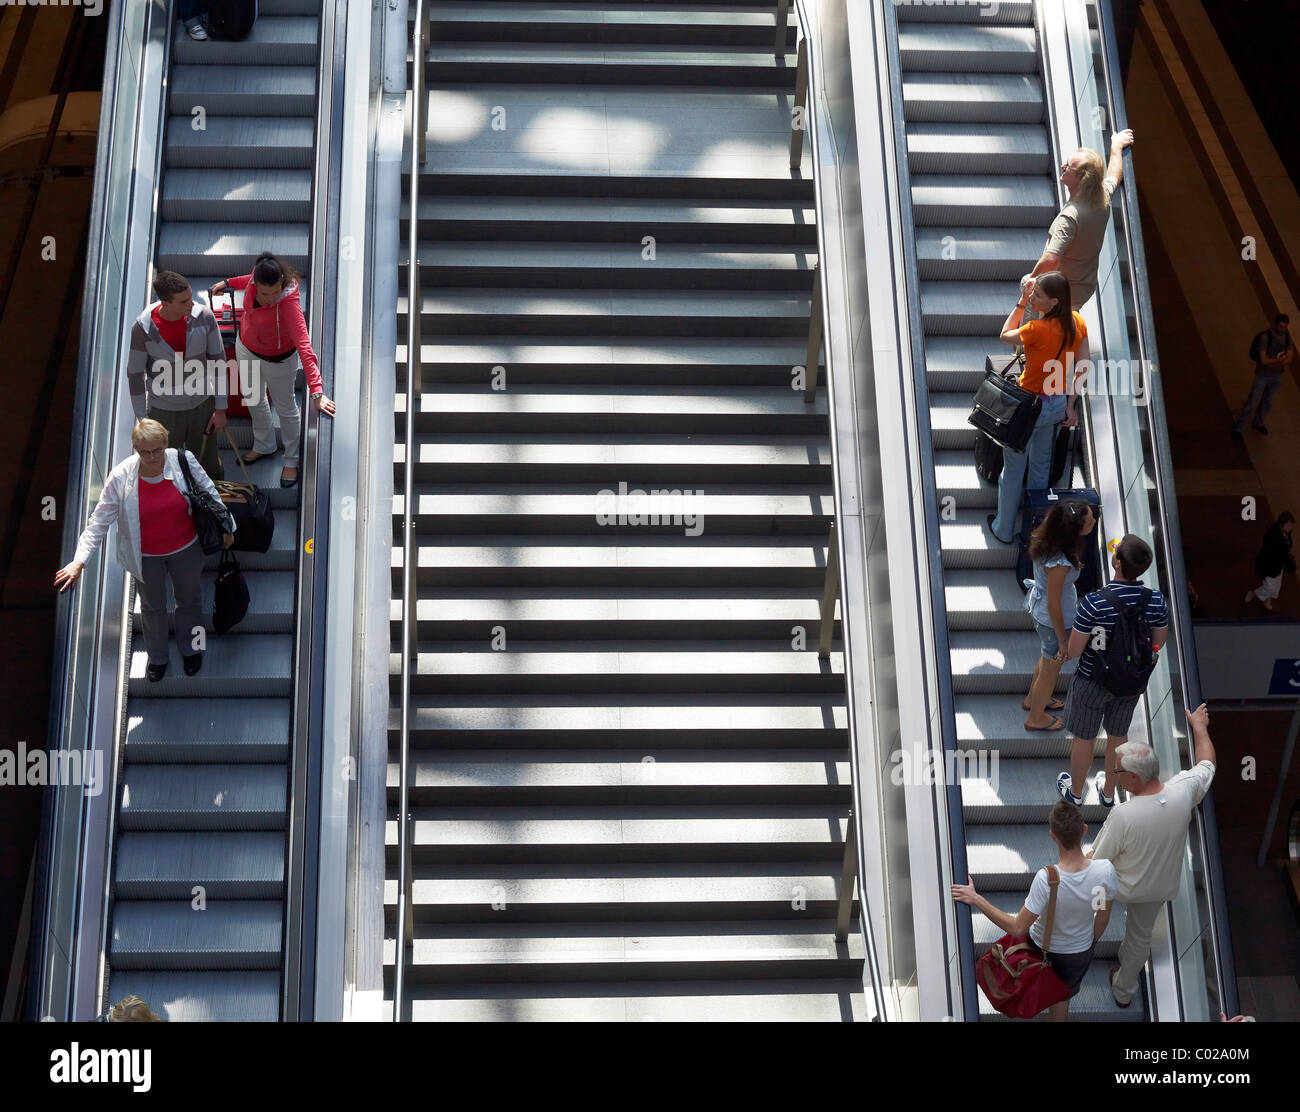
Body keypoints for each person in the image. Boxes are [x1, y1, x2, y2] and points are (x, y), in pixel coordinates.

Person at [55, 419, 235, 682]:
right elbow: (99, 522)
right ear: (136, 449)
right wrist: (78, 561)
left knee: (190, 601)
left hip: (186, 549)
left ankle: (191, 649)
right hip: (145, 557)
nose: (152, 457)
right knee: (152, 607)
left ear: (166, 444)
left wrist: (227, 526)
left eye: (157, 450)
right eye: (145, 452)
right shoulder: (120, 477)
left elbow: (209, 491)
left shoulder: (182, 460)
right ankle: (158, 656)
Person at [1089, 705, 1217, 1009]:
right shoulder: (1183, 792)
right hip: (1158, 889)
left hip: (1120, 886)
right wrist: (1199, 727)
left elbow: (1095, 862)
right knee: (1139, 938)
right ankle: (1123, 991)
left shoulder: (1123, 815)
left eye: (1117, 771)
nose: (1114, 773)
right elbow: (1208, 764)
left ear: (1133, 779)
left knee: (1091, 902)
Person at [953, 801, 1116, 1021]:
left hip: (1042, 948)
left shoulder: (1047, 879)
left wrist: (976, 899)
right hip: (1079, 953)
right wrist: (1089, 943)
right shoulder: (1106, 871)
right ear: (1084, 829)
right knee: (1062, 998)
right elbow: (1103, 916)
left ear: (1052, 836)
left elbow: (1018, 927)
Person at [1057, 535, 1168, 806]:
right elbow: (1158, 644)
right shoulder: (1156, 601)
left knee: (1084, 737)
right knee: (1118, 737)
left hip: (1092, 681)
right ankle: (1108, 793)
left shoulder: (1094, 603)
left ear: (1116, 562)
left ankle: (1076, 792)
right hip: (1131, 684)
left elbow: (1074, 651)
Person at [211, 252, 336, 488]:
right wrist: (227, 283)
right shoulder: (253, 280)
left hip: (278, 361)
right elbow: (247, 278)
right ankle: (264, 444)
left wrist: (317, 392)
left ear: (282, 283)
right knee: (253, 398)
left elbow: (305, 348)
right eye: (264, 293)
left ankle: (291, 459)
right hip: (246, 348)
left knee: (286, 408)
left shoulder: (289, 305)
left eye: (275, 292)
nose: (270, 298)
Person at [986, 272, 1087, 546]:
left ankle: (1003, 529)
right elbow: (1083, 365)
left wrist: (1020, 303)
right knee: (1041, 469)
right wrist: (1071, 405)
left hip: (1027, 410)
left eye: (1038, 296)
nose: (1033, 298)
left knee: (1013, 470)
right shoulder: (1077, 322)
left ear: (1054, 302)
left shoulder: (1036, 330)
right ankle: (1034, 531)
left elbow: (1005, 335)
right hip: (1055, 406)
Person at [128, 269, 228, 482]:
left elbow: (219, 361)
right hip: (164, 410)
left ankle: (213, 508)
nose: (191, 304)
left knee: (208, 464)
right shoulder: (142, 329)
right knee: (166, 468)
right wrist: (142, 419)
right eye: (184, 301)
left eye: (190, 297)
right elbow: (135, 374)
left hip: (202, 405)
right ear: (165, 303)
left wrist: (220, 408)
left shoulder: (205, 317)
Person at [1021, 130, 1134, 311]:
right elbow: (1114, 176)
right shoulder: (1101, 197)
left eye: (1069, 167)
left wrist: (1031, 280)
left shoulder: (1069, 218)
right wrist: (1116, 147)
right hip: (1083, 287)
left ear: (1082, 179)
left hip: (1055, 294)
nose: (1062, 165)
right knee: (1068, 329)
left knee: (1044, 332)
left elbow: (1051, 258)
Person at [1022, 500, 1096, 731]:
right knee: (1051, 670)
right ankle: (1036, 717)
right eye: (1090, 520)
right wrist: (1063, 639)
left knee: (1046, 661)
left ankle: (1033, 699)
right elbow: (1054, 604)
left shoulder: (1046, 538)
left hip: (1042, 613)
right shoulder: (1060, 563)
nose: (1094, 521)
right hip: (1053, 620)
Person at [1232, 314, 1293, 436]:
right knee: (1252, 400)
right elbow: (1264, 360)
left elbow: (1290, 358)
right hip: (1263, 374)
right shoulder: (1266, 337)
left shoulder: (1287, 338)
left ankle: (1258, 422)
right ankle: (1239, 427)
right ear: (1276, 324)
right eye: (1281, 326)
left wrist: (1274, 361)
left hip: (1276, 375)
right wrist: (1279, 360)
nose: (1282, 330)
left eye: (1285, 327)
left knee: (1268, 400)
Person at [1245, 511, 1296, 611]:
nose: (1291, 527)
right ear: (1283, 524)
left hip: (1278, 565)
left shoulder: (1286, 532)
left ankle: (1267, 601)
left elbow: (1285, 548)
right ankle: (1253, 593)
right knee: (1270, 587)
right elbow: (1271, 553)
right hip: (1269, 565)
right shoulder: (1272, 536)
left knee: (1276, 587)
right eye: (1289, 525)